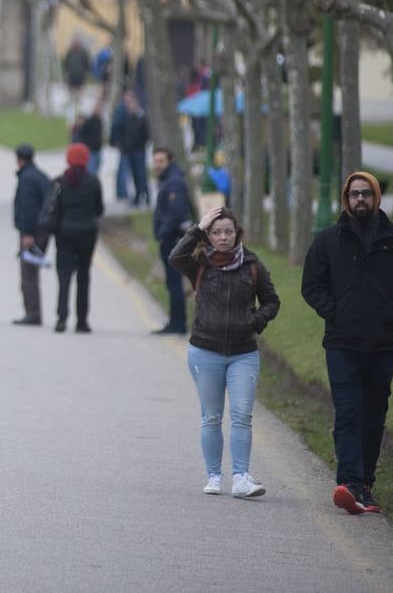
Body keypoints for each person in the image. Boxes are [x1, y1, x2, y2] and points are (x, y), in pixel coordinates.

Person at [301, 171, 393, 516]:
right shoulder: (327, 241)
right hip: (341, 343)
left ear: (376, 198)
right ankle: (350, 484)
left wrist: (392, 315)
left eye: (365, 194)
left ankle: (366, 484)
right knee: (348, 412)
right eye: (354, 194)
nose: (360, 200)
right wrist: (333, 312)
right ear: (345, 199)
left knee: (373, 417)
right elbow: (311, 285)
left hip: (383, 344)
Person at [170, 206, 280, 499]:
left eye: (228, 232)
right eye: (216, 232)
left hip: (243, 353)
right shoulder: (199, 263)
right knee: (211, 416)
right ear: (209, 235)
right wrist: (197, 227)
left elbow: (272, 301)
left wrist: (255, 321)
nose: (223, 237)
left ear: (237, 233)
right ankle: (214, 476)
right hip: (205, 351)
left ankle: (242, 477)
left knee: (242, 415)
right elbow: (175, 257)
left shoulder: (253, 265)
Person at [51, 142, 104, 333]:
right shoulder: (93, 182)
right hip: (87, 232)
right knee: (83, 275)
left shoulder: (59, 181)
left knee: (64, 275)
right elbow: (99, 209)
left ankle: (61, 318)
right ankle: (82, 321)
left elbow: (54, 209)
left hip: (64, 232)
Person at [152, 145, 194, 334]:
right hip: (171, 237)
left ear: (169, 161)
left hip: (172, 238)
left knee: (174, 282)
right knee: (172, 282)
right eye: (155, 161)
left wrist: (162, 233)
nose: (158, 165)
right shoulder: (168, 180)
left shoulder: (174, 182)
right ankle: (175, 321)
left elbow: (176, 212)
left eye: (161, 161)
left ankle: (177, 323)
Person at [12, 143, 51, 326]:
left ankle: (32, 313)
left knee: (28, 274)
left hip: (33, 232)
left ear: (19, 159)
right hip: (43, 228)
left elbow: (28, 208)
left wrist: (27, 233)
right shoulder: (40, 175)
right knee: (31, 272)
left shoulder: (27, 179)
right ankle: (33, 312)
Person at [118, 89, 150, 206]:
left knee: (141, 174)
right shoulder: (127, 119)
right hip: (130, 151)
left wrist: (140, 145)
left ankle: (146, 195)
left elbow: (144, 135)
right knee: (134, 175)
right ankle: (137, 195)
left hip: (139, 151)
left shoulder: (141, 119)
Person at [62, 35, 91, 121]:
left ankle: (79, 111)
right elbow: (66, 63)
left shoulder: (84, 53)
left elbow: (87, 64)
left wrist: (86, 74)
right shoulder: (70, 52)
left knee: (79, 95)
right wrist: (67, 73)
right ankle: (70, 112)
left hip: (80, 77)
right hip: (72, 76)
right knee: (71, 95)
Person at [73, 101, 104, 175]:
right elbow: (81, 134)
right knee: (91, 173)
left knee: (95, 173)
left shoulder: (99, 121)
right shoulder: (89, 121)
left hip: (98, 151)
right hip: (91, 151)